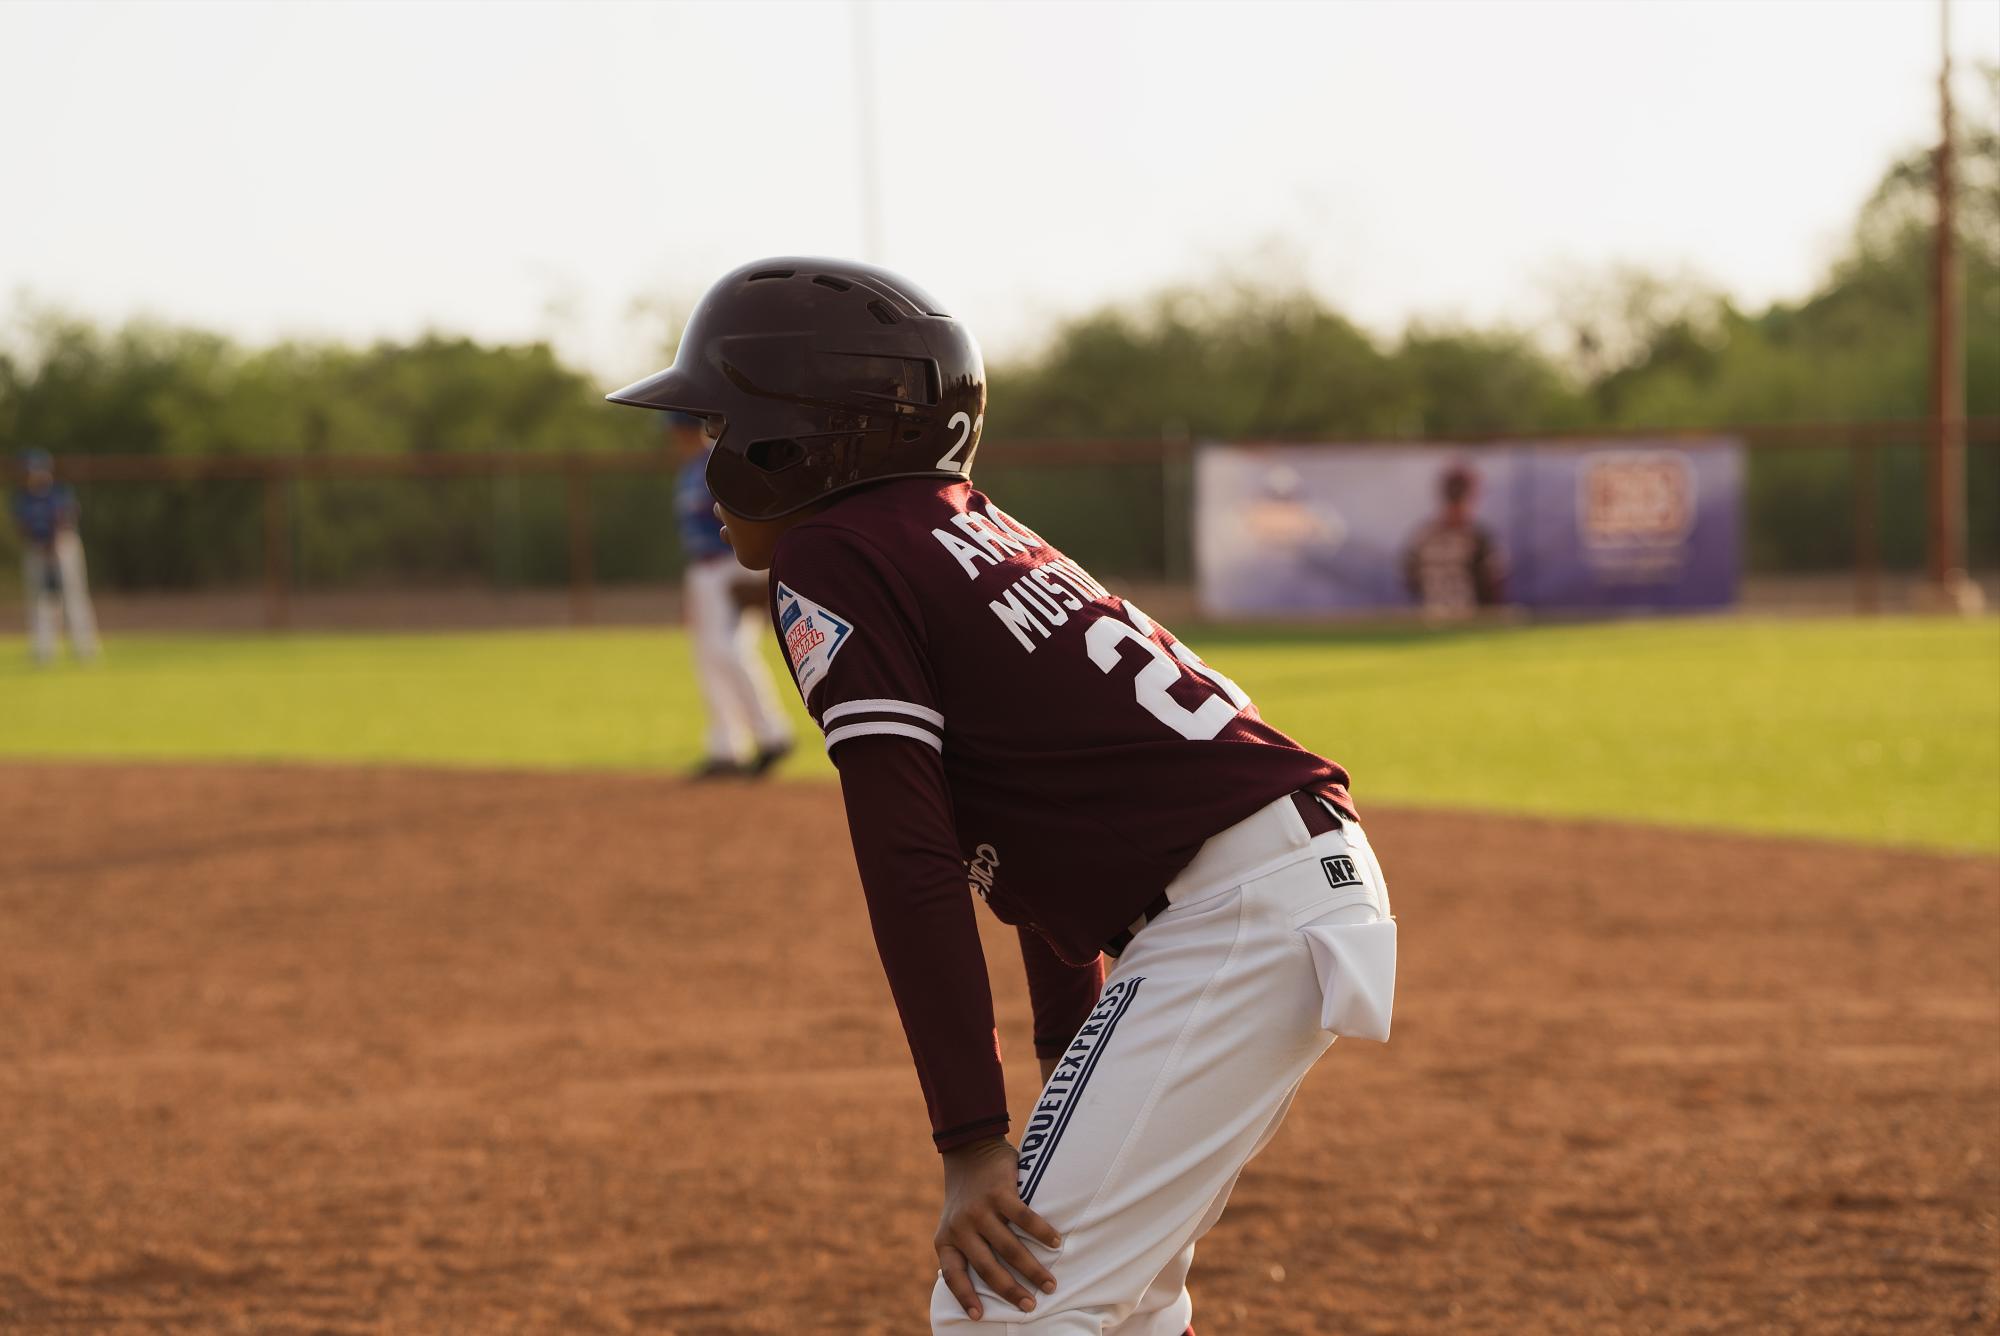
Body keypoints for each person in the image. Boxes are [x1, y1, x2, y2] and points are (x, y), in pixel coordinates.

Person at [609, 258, 1396, 1335]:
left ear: (795, 437)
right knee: (1116, 1303)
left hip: (1233, 915)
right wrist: (1058, 1061)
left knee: (1002, 1307)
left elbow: (913, 859)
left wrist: (971, 1141)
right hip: (1262, 891)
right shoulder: (954, 523)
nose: (708, 463)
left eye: (718, 429)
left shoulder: (834, 556)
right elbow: (1040, 827)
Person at [671, 410, 794, 779]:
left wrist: (762, 575)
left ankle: (773, 734)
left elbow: (760, 516)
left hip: (732, 568)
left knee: (729, 650)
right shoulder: (690, 470)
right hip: (704, 571)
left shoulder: (718, 464)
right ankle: (726, 748)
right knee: (708, 657)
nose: (674, 437)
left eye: (677, 429)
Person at [10, 448, 100, 664]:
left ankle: (85, 648)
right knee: (39, 600)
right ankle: (44, 650)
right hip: (37, 549)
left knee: (73, 596)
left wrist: (50, 545)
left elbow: (66, 520)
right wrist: (38, 544)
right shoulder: (23, 498)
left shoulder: (59, 492)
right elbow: (21, 526)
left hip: (62, 547)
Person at [1401, 462, 1506, 618]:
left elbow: (1410, 579)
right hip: (1469, 622)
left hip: (1432, 620)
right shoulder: (1477, 537)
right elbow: (1494, 585)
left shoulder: (1422, 536)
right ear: (1470, 495)